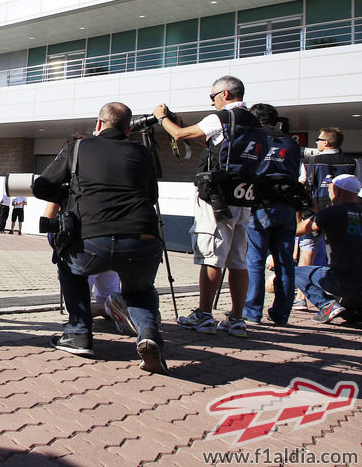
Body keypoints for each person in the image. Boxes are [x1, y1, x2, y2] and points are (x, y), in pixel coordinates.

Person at [32, 102, 167, 374]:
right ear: (129, 129)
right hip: (141, 237)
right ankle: (149, 333)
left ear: (98, 123)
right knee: (139, 290)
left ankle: (79, 332)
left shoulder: (78, 148)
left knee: (69, 265)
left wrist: (70, 194)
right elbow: (152, 197)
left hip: (92, 240)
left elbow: (41, 186)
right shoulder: (142, 153)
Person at [154, 75, 259, 337]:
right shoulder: (254, 121)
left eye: (212, 97)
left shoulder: (222, 117)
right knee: (237, 259)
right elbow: (217, 143)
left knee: (212, 254)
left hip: (216, 197)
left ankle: (204, 314)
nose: (211, 103)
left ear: (224, 94)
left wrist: (161, 118)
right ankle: (236, 318)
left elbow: (178, 135)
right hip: (243, 196)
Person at [242, 104, 299, 326]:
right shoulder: (292, 143)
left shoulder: (255, 139)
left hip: (260, 205)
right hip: (287, 206)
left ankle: (251, 312)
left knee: (254, 260)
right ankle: (281, 313)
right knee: (285, 263)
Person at [294, 127, 355, 308]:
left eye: (319, 140)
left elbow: (301, 187)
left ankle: (301, 298)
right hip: (344, 215)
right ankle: (343, 295)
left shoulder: (309, 162)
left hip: (314, 214)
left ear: (326, 142)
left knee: (307, 253)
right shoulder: (352, 162)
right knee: (342, 251)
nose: (317, 143)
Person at [294, 173, 362, 323]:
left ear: (336, 191)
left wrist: (297, 211)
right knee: (349, 314)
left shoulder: (330, 213)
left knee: (294, 272)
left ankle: (326, 304)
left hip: (341, 279)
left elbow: (298, 230)